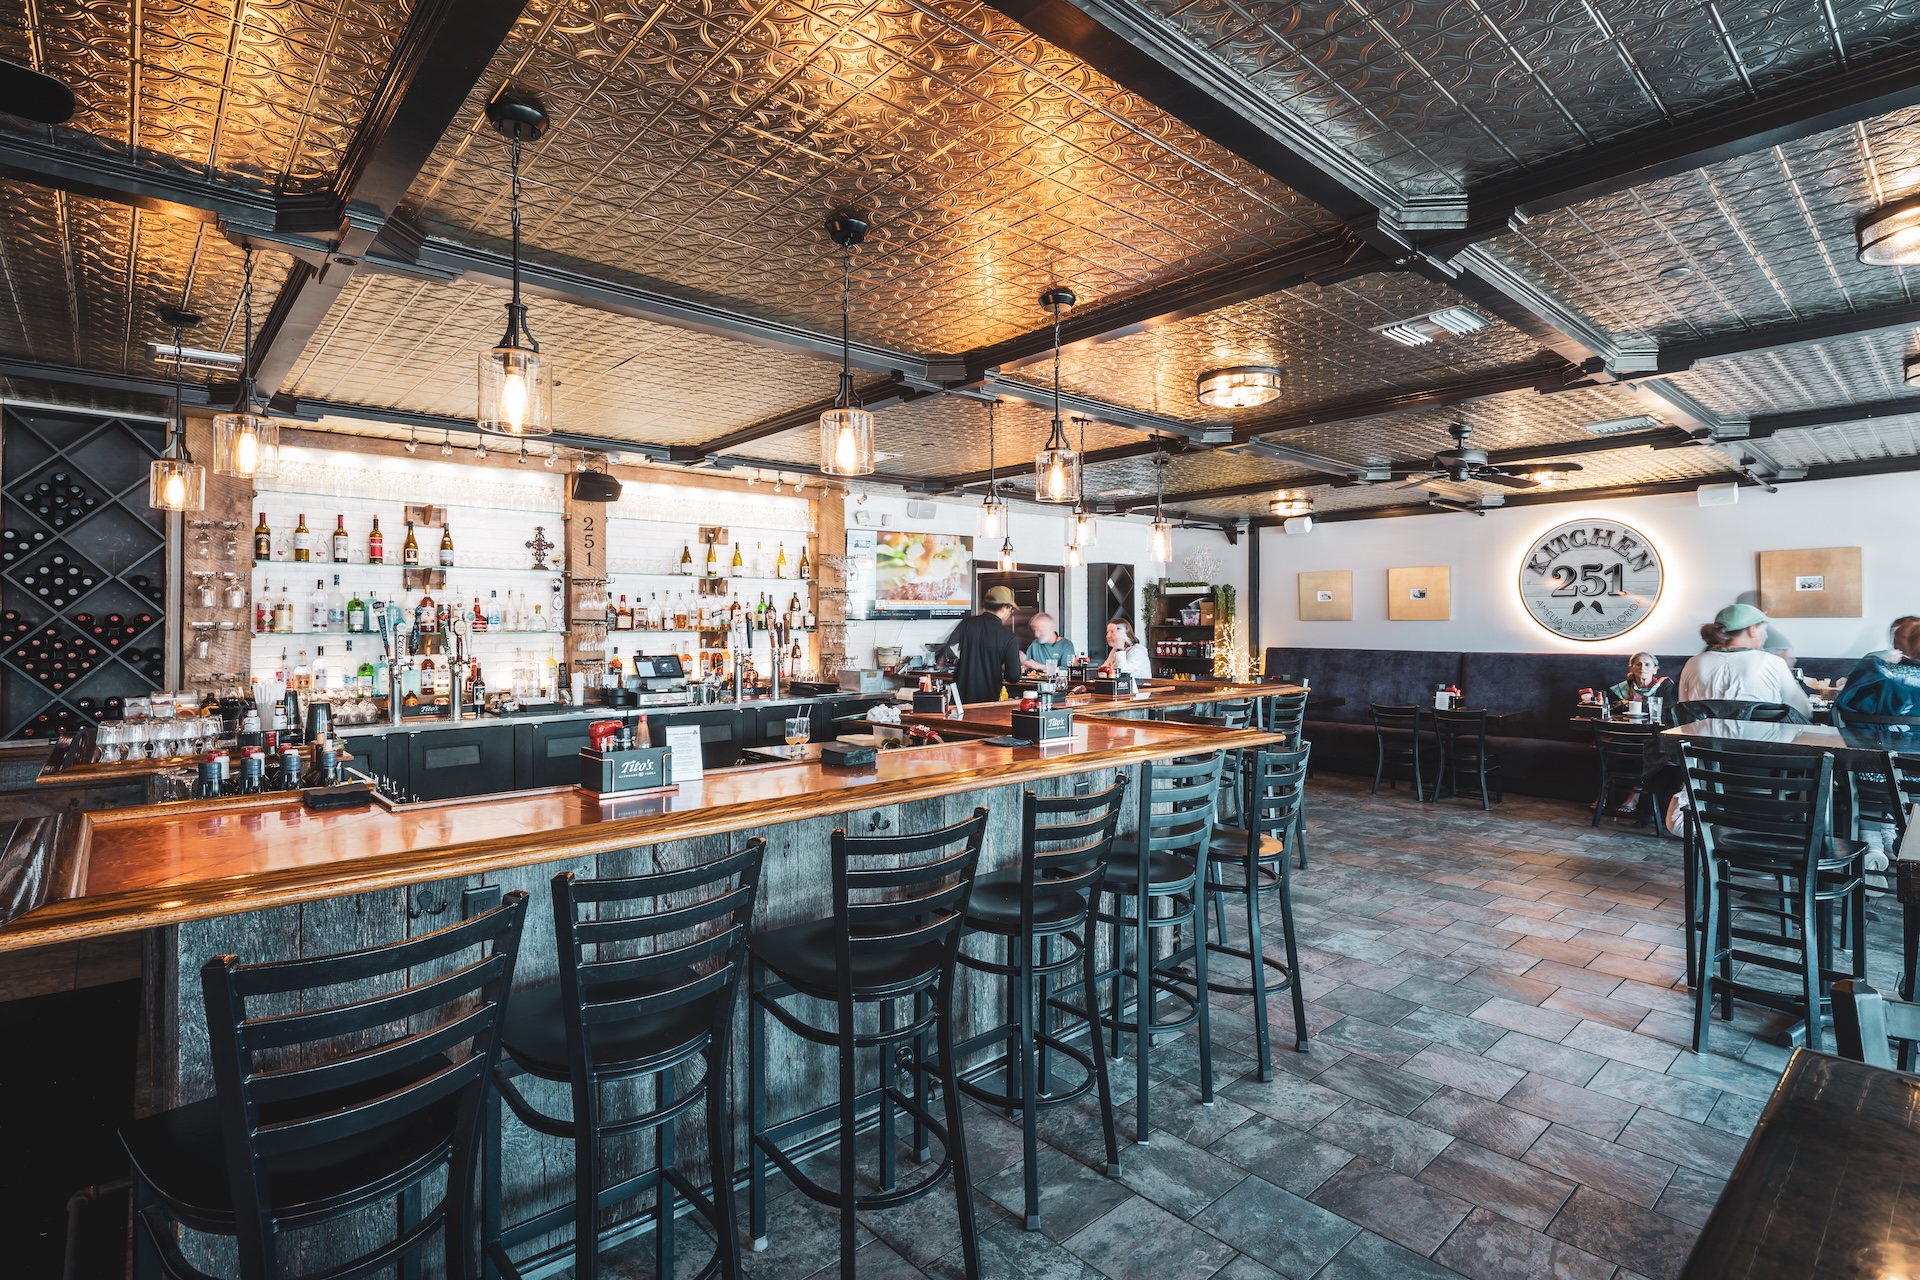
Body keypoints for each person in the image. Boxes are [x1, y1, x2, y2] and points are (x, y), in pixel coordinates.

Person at [1676, 603, 1811, 720]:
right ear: (1752, 630)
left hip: (1699, 746)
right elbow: (1803, 711)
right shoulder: (1773, 663)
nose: (1766, 635)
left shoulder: (1693, 663)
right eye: (1763, 629)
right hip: (1759, 747)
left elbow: (1684, 709)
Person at [1835, 617, 1920, 725]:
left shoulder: (1879, 675)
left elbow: (1844, 709)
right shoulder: (1879, 671)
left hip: (1869, 740)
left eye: (1897, 640)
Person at [950, 585, 1023, 704]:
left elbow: (947, 650)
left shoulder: (966, 624)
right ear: (1005, 607)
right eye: (1011, 609)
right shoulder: (1008, 637)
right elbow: (1013, 677)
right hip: (987, 702)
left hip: (959, 701)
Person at [1607, 652, 1677, 724]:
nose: (1642, 667)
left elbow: (1670, 712)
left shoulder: (1665, 686)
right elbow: (1612, 710)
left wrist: (1629, 706)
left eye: (1647, 664)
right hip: (1627, 728)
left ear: (1655, 670)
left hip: (1656, 730)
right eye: (1638, 664)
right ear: (1631, 668)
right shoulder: (1620, 689)